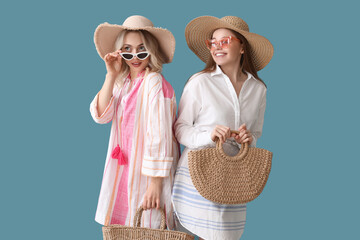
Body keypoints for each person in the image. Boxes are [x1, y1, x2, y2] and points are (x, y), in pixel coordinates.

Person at [172, 16, 274, 240]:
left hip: (232, 180)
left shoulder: (258, 89)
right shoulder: (199, 82)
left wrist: (249, 139)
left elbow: (256, 133)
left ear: (242, 47)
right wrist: (208, 135)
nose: (217, 47)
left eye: (225, 41)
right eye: (213, 42)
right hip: (197, 176)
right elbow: (180, 129)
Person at [90, 15, 179, 230]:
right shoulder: (122, 83)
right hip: (122, 169)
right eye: (127, 50)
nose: (135, 57)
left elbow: (160, 135)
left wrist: (155, 184)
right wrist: (110, 75)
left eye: (142, 49)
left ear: (152, 51)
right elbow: (101, 115)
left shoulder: (154, 82)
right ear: (120, 52)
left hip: (147, 174)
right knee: (126, 227)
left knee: (148, 227)